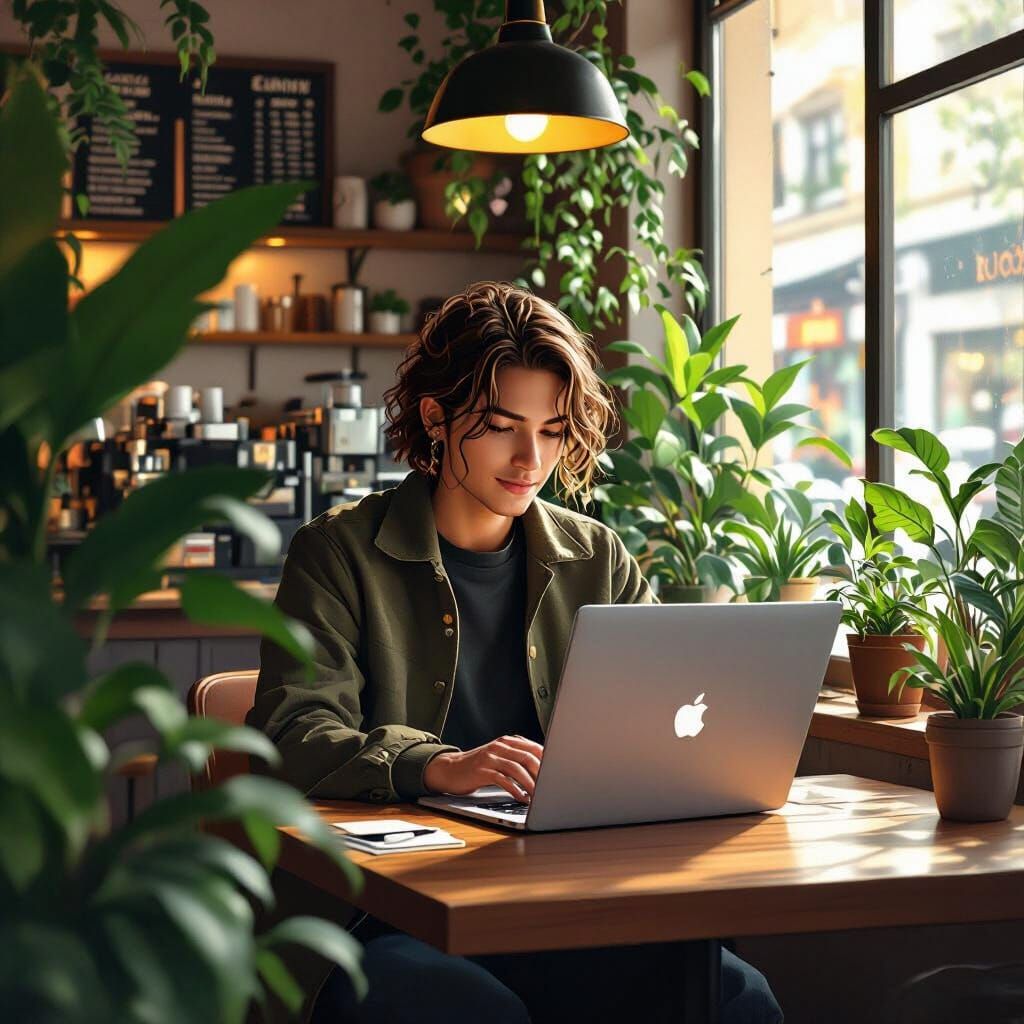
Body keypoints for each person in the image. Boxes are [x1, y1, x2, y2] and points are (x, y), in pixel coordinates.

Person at [248, 281, 784, 1024]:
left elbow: (670, 720)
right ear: (435, 417)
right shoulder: (337, 554)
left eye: (554, 430)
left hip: (566, 901)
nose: (531, 458)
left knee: (735, 999)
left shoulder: (597, 557)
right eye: (502, 426)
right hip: (394, 918)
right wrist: (436, 764)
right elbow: (295, 733)